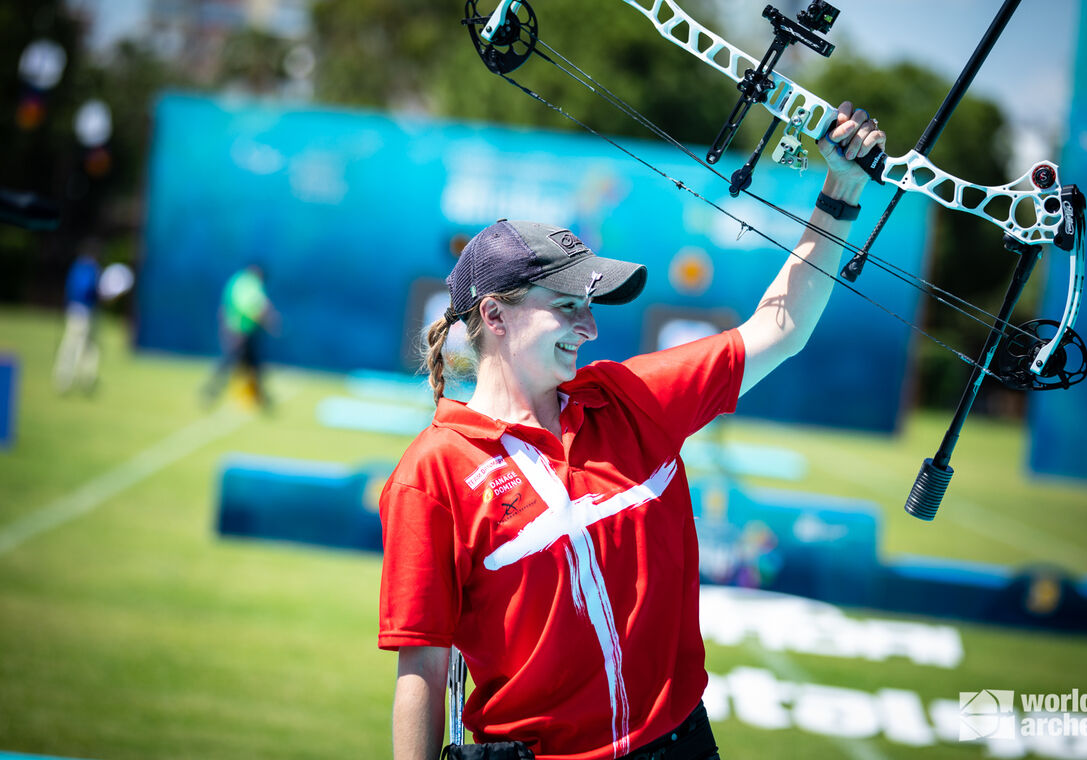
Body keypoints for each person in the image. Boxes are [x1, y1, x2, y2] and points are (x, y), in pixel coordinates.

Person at [378, 103, 886, 760]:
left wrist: (842, 191)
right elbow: (423, 670)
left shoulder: (631, 399)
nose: (589, 329)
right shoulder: (433, 473)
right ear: (496, 316)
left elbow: (778, 330)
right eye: (566, 308)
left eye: (590, 308)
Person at [200, 263, 279, 409]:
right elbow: (255, 307)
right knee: (231, 364)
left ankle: (262, 399)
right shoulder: (249, 284)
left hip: (238, 330)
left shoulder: (237, 281)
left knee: (252, 366)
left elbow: (226, 306)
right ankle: (210, 392)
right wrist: (270, 321)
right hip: (241, 332)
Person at [52, 245, 102, 394]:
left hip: (73, 309)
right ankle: (74, 380)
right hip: (84, 311)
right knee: (80, 347)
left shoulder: (77, 266)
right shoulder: (90, 269)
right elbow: (88, 289)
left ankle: (67, 379)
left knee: (74, 345)